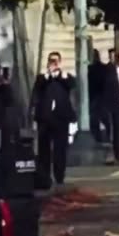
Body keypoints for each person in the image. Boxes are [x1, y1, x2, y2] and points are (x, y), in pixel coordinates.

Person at [31, 52, 76, 188]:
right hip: (45, 118)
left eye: (56, 61)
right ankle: (45, 177)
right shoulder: (42, 78)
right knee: (44, 149)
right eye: (51, 61)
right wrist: (48, 75)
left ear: (60, 62)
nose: (53, 63)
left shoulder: (65, 77)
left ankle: (59, 176)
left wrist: (60, 75)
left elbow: (71, 85)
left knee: (60, 149)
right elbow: (38, 87)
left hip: (61, 118)